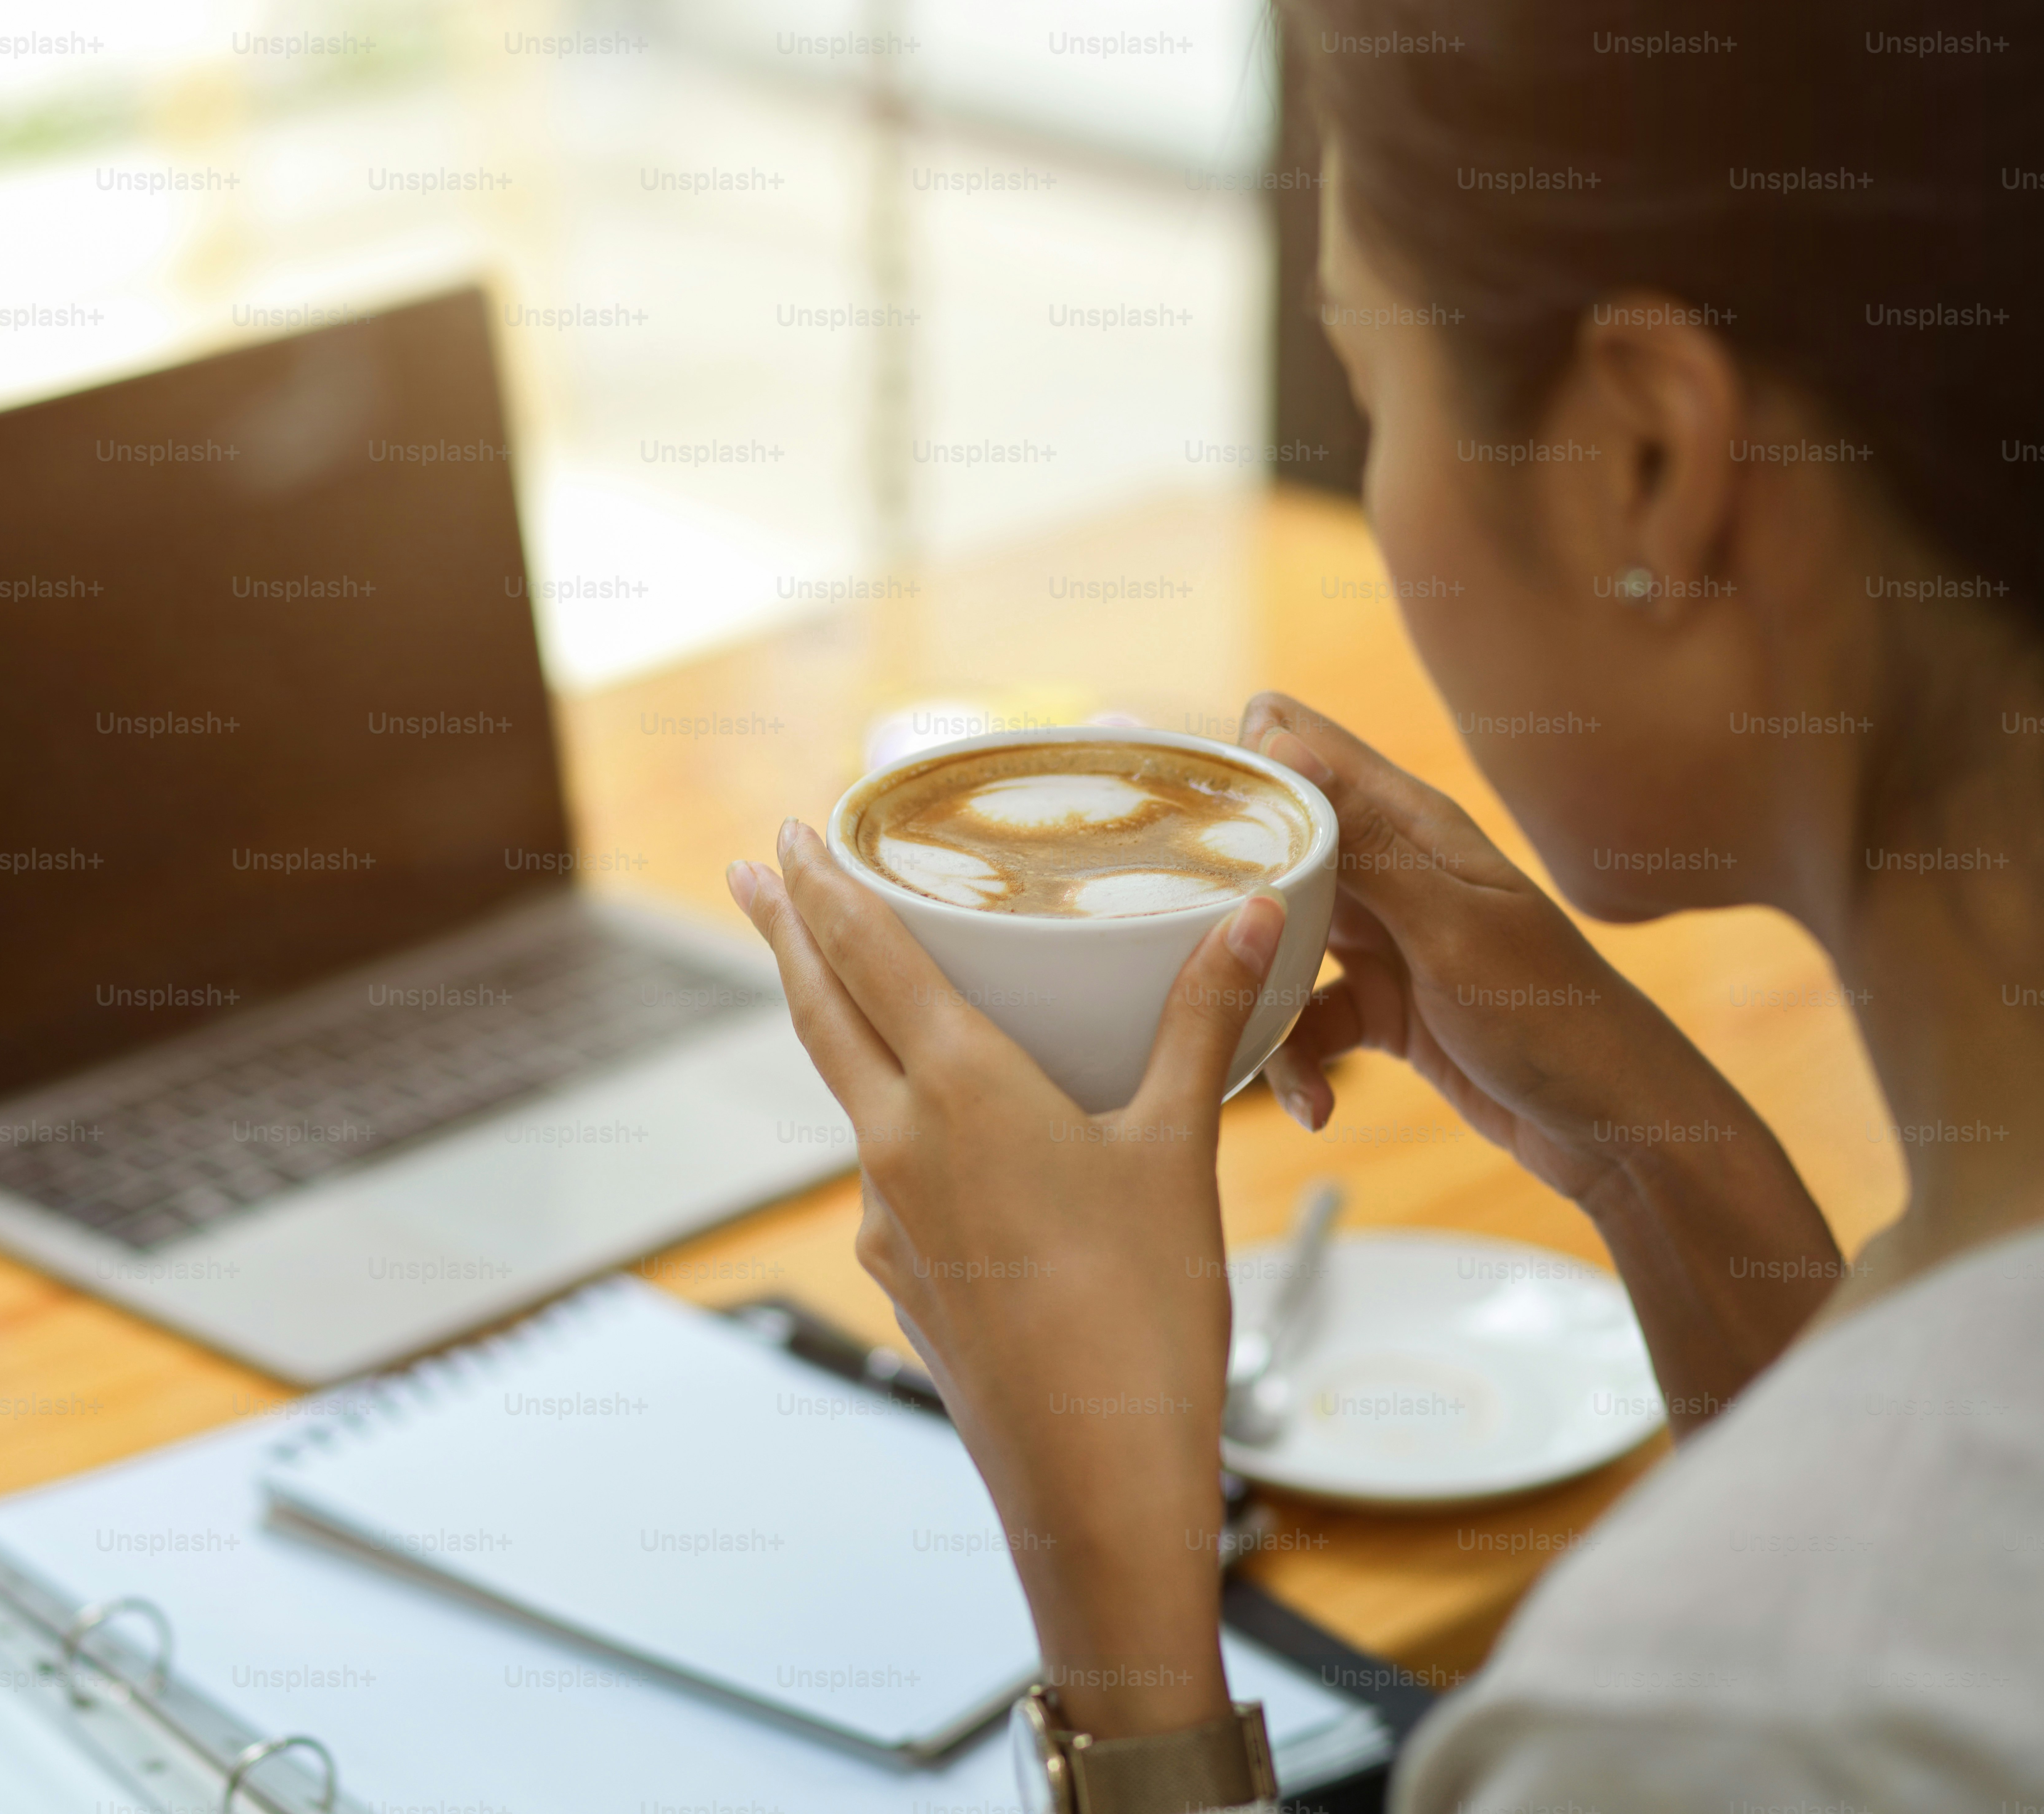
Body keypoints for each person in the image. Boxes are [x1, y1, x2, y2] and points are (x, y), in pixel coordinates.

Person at [723, 1, 2044, 1807]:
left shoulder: (1714, 1721)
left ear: (1643, 464)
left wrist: (1119, 1604)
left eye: (1374, 385)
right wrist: (1670, 1160)